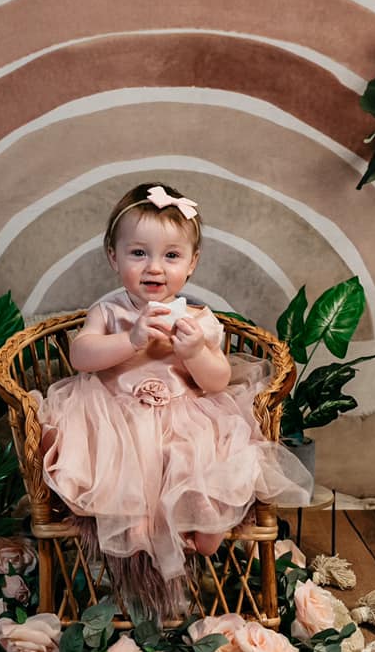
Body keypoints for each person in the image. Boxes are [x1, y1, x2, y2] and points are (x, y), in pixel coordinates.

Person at [34, 183, 313, 615]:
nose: (154, 268)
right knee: (126, 467)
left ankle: (203, 530)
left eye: (171, 255)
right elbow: (81, 355)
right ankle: (142, 532)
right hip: (116, 419)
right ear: (114, 257)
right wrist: (130, 338)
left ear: (192, 264)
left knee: (202, 459)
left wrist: (196, 352)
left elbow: (218, 381)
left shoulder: (200, 320)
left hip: (186, 417)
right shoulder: (108, 312)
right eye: (138, 253)